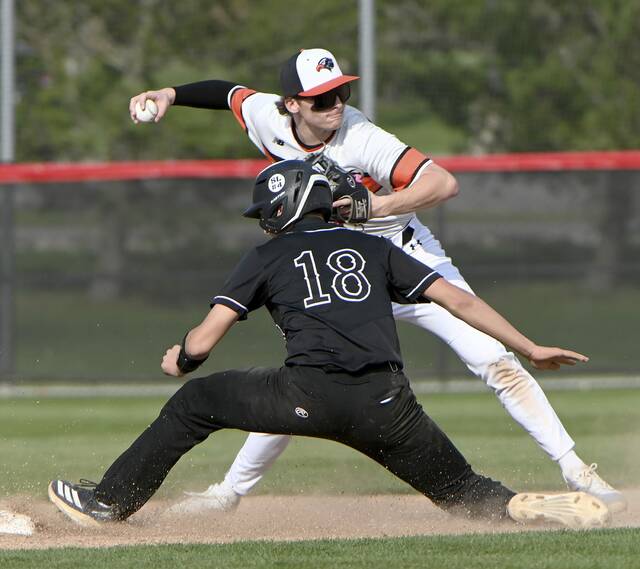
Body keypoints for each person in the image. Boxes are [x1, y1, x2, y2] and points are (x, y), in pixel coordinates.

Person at [129, 48, 625, 514]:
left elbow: (443, 183)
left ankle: (575, 469)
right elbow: (227, 93)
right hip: (336, 270)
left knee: (495, 359)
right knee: (306, 380)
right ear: (293, 105)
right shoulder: (268, 117)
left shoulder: (361, 137)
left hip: (403, 255)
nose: (337, 105)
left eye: (342, 92)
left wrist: (380, 204)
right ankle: (228, 493)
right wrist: (170, 94)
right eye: (323, 98)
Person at [48, 160, 610, 530]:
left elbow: (206, 337)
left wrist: (184, 359)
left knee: (194, 404)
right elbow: (459, 302)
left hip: (307, 394)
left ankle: (110, 502)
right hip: (389, 404)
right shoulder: (375, 248)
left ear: (284, 210)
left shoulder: (265, 257)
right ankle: (523, 506)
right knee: (462, 490)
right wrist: (530, 347)